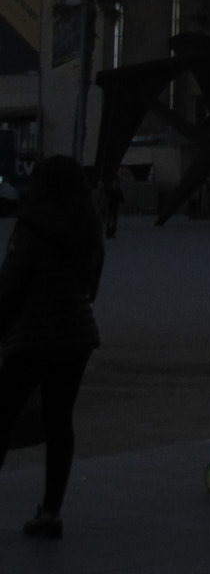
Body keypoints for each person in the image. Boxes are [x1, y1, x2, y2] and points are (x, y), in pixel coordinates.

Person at [0, 156, 107, 540]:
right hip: (77, 335)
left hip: (32, 336)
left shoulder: (32, 228)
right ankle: (50, 512)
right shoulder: (89, 228)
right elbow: (92, 282)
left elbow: (10, 286)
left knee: (3, 418)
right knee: (59, 422)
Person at [99, 175, 123, 240]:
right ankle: (109, 232)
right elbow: (106, 197)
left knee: (114, 221)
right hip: (110, 207)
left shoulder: (117, 190)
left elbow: (121, 198)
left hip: (115, 207)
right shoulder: (111, 190)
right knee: (109, 220)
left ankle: (112, 232)